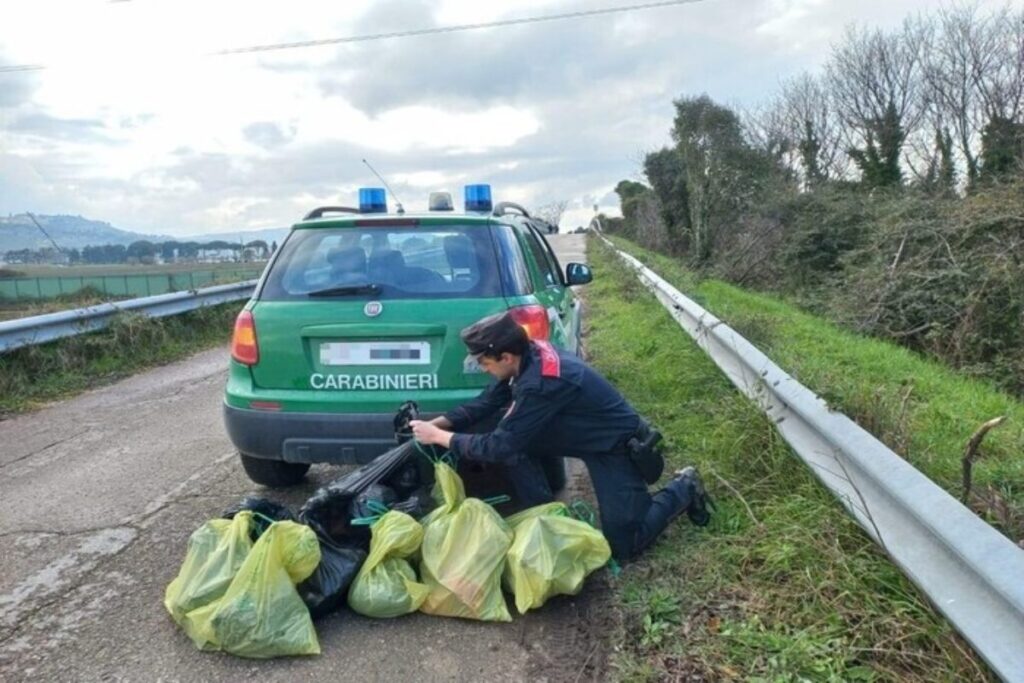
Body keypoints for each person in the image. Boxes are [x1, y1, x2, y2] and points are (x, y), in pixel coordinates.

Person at [410, 311, 713, 562]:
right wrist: (438, 423)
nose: (483, 369)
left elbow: (501, 446)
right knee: (510, 437)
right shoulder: (526, 356)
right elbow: (487, 403)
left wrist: (438, 437)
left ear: (504, 356)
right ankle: (547, 519)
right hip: (578, 434)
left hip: (613, 446)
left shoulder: (541, 381)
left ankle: (684, 487)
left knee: (625, 545)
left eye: (485, 364)